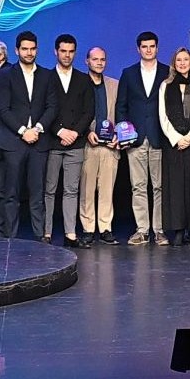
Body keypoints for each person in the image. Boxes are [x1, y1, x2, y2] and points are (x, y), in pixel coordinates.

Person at [0, 31, 55, 241]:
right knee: (11, 194)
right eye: (25, 49)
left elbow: (52, 107)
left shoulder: (47, 75)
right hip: (13, 142)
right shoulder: (5, 75)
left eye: (32, 49)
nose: (29, 53)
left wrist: (37, 129)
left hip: (39, 142)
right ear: (17, 50)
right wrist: (24, 131)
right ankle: (11, 238)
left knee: (37, 194)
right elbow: (3, 109)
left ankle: (40, 238)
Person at [117, 32, 169, 245]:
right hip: (135, 139)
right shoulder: (128, 73)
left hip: (159, 137)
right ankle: (142, 230)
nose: (148, 50)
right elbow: (121, 106)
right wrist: (124, 134)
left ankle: (159, 230)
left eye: (152, 46)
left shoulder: (167, 72)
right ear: (138, 49)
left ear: (157, 48)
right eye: (144, 46)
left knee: (159, 187)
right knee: (138, 186)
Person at [158, 48, 190, 245]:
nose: (182, 63)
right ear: (174, 63)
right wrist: (176, 138)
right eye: (179, 60)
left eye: (186, 59)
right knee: (175, 187)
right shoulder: (166, 85)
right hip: (174, 144)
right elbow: (162, 115)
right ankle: (178, 230)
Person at [45, 34, 94, 247]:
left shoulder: (83, 79)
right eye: (63, 51)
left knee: (71, 190)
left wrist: (74, 132)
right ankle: (46, 233)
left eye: (71, 51)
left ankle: (70, 234)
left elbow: (89, 111)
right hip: (52, 141)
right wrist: (59, 131)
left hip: (76, 142)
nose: (67, 55)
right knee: (49, 189)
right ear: (55, 52)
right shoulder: (46, 78)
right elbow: (43, 109)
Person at [81, 46, 122, 244]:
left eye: (102, 59)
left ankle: (105, 227)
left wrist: (119, 136)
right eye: (95, 59)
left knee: (107, 190)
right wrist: (85, 133)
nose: (99, 63)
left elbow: (122, 113)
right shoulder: (80, 83)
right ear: (87, 61)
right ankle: (88, 228)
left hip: (110, 146)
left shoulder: (115, 84)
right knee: (87, 190)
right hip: (88, 144)